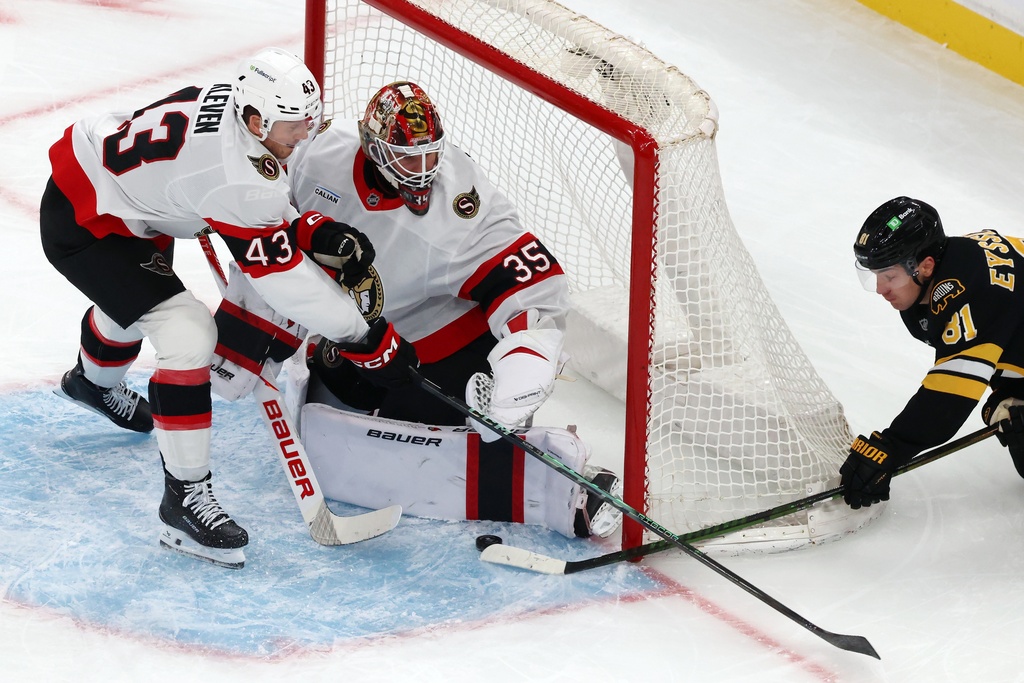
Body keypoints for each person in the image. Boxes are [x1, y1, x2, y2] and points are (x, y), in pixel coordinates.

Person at [40, 48, 417, 569]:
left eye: (310, 121)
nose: (304, 136)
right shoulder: (236, 174)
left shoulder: (240, 115)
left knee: (134, 299)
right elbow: (283, 282)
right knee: (189, 334)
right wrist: (364, 337)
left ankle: (91, 384)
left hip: (123, 197)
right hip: (89, 223)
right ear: (258, 120)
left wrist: (306, 227)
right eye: (294, 127)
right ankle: (184, 501)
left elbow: (249, 194)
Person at [279, 81, 622, 539]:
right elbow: (266, 177)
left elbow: (526, 271)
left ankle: (568, 489)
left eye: (429, 155)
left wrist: (529, 350)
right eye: (406, 157)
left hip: (442, 344)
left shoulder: (459, 202)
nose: (421, 171)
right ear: (370, 144)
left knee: (446, 444)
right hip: (360, 334)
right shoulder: (322, 151)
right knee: (322, 410)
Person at [840, 196, 1024, 509]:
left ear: (925, 265)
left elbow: (949, 397)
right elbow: (1010, 326)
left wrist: (891, 448)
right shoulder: (950, 266)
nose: (881, 289)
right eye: (874, 276)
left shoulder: (972, 294)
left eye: (889, 276)